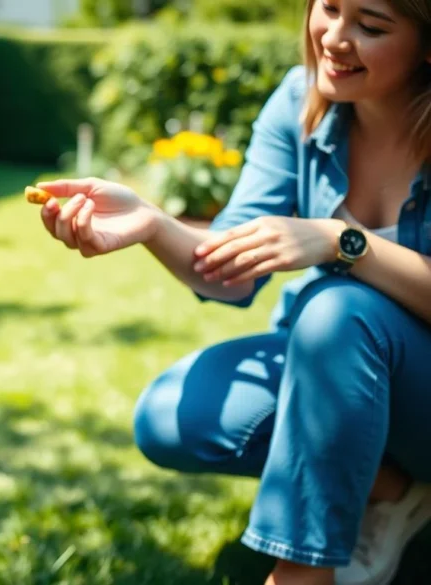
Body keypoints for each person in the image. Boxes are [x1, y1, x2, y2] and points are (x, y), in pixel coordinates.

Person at [35, 1, 431, 584]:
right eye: (328, 8)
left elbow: (338, 262)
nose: (334, 38)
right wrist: (150, 222)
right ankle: (394, 494)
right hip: (339, 370)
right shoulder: (301, 101)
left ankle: (299, 573)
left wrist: (340, 240)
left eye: (370, 26)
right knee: (173, 414)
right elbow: (233, 265)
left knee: (337, 310)